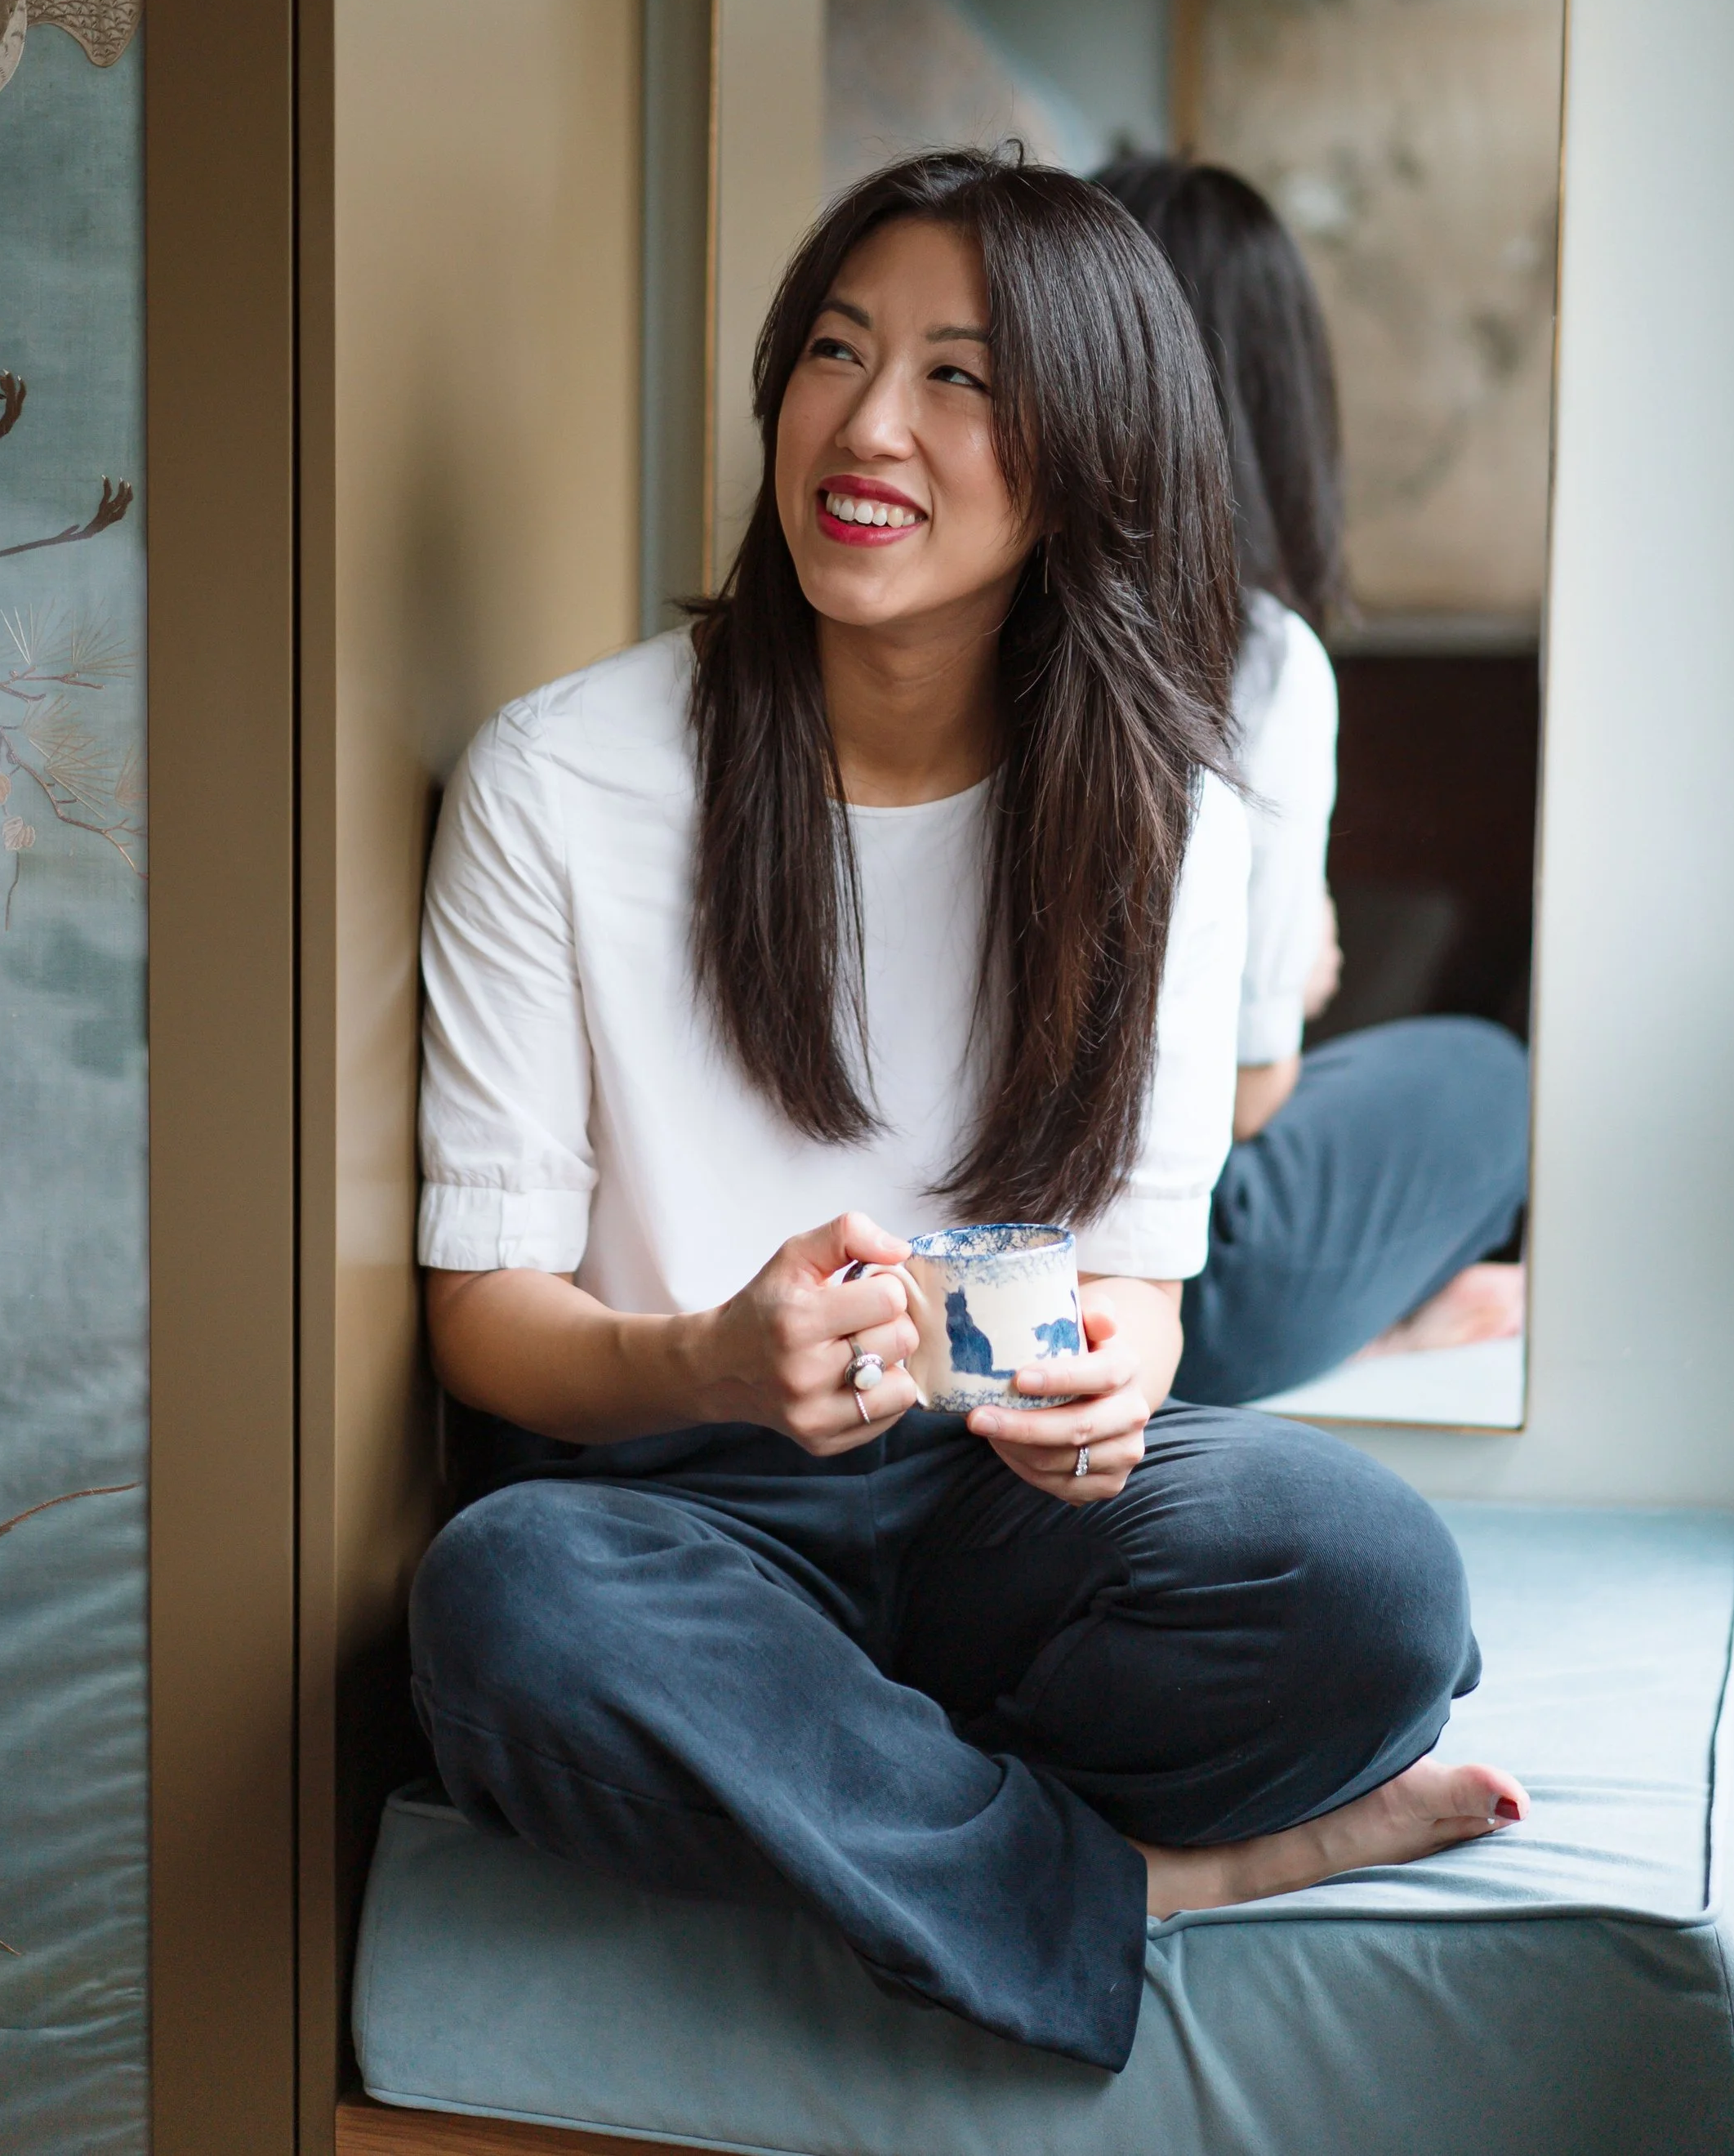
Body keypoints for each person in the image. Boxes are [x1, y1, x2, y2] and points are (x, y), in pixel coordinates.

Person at [408, 149, 1525, 2076]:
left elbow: (1141, 1289)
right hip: (676, 1514)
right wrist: (704, 1358)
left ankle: (842, 1790)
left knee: (1366, 1585)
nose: (867, 426)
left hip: (994, 1515)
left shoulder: (1167, 823)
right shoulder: (563, 779)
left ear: (1086, 456)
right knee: (506, 1607)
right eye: (836, 352)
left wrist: (1105, 1395)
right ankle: (1139, 1884)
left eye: (959, 380)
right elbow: (483, 1320)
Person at [1094, 156, 1531, 1408]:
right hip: (1162, 1284)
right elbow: (1242, 1096)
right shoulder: (1261, 657)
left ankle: (1388, 1304)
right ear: (1275, 391)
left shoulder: (967, 609)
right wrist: (1288, 970)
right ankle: (1383, 1314)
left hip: (954, 1233)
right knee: (1488, 1079)